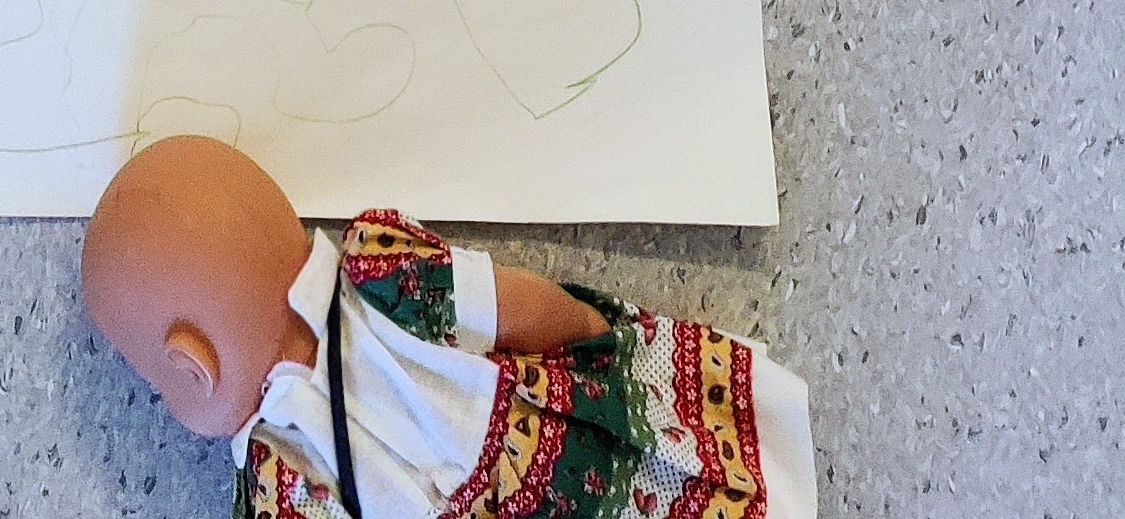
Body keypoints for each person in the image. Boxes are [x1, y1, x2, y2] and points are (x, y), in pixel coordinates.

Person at [84, 138, 815, 519]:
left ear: (193, 368)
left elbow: (509, 307)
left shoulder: (277, 481)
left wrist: (582, 333)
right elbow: (517, 308)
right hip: (555, 463)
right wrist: (586, 335)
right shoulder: (383, 276)